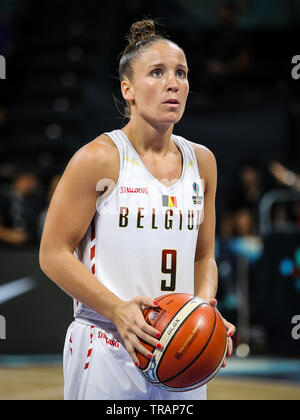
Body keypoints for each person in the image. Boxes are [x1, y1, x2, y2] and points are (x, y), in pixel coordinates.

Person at [39, 19, 236, 401]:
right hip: (107, 343)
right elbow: (52, 253)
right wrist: (117, 310)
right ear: (127, 89)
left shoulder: (203, 162)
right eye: (157, 73)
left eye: (181, 73)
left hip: (179, 347)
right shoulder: (98, 158)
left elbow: (204, 255)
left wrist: (204, 310)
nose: (173, 83)